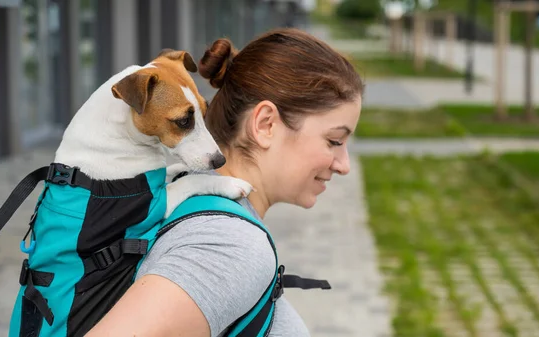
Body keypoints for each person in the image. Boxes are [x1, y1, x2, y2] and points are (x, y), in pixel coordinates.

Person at [85, 27, 364, 337]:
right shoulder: (228, 245)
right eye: (334, 140)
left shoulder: (190, 192)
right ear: (265, 124)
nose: (345, 166)